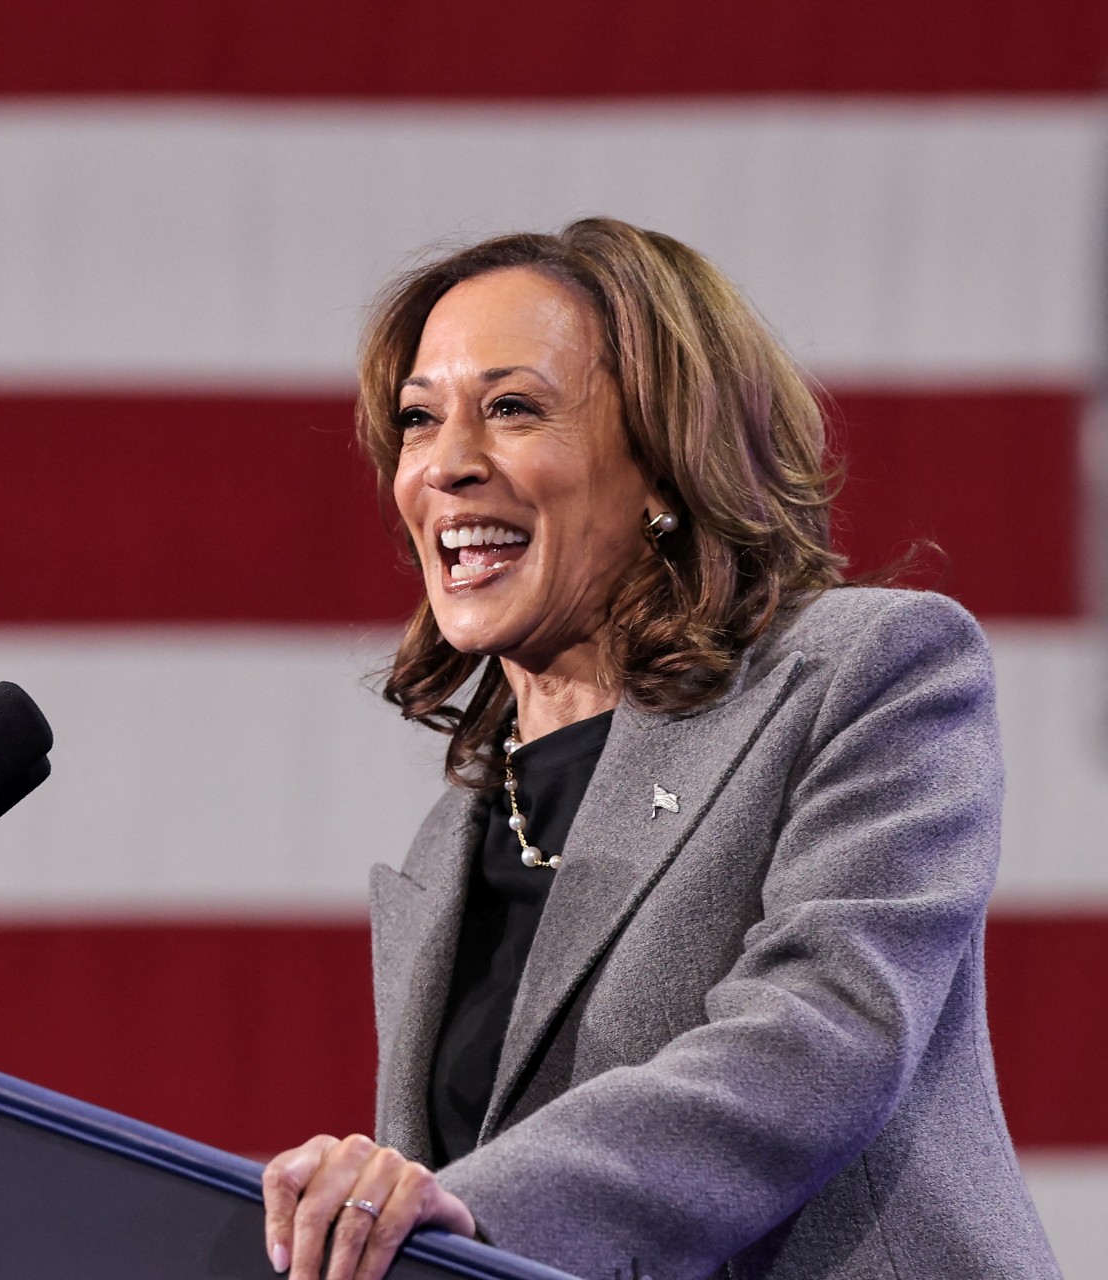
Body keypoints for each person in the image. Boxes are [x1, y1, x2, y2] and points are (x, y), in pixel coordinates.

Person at [259, 219, 1058, 1280]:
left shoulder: (866, 673)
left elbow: (818, 1039)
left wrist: (467, 1204)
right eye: (418, 419)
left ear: (665, 463)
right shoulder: (457, 833)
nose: (446, 465)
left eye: (512, 407)